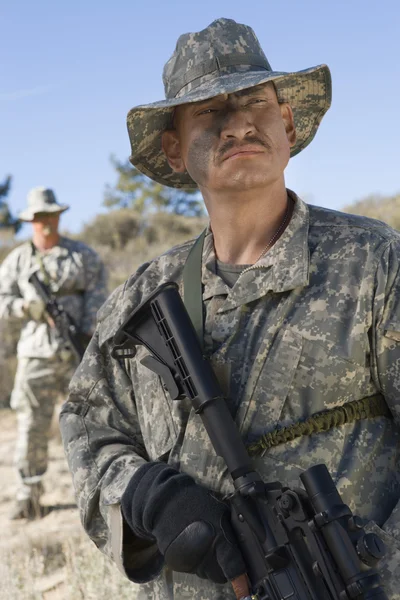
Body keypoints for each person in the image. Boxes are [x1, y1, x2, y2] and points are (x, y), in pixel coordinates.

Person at [60, 18, 400, 600]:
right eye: (209, 112)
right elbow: (89, 429)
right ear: (174, 146)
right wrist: (146, 493)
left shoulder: (374, 264)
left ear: (287, 123)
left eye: (255, 101)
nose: (237, 122)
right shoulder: (142, 299)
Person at [0, 186, 108, 520]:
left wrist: (87, 329)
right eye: (39, 217)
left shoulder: (82, 255)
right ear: (31, 220)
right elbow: (2, 301)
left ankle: (99, 491)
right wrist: (26, 307)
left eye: (51, 215)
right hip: (36, 354)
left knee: (91, 422)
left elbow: (98, 293)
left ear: (58, 216)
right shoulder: (18, 260)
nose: (46, 223)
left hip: (78, 352)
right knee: (32, 422)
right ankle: (29, 496)